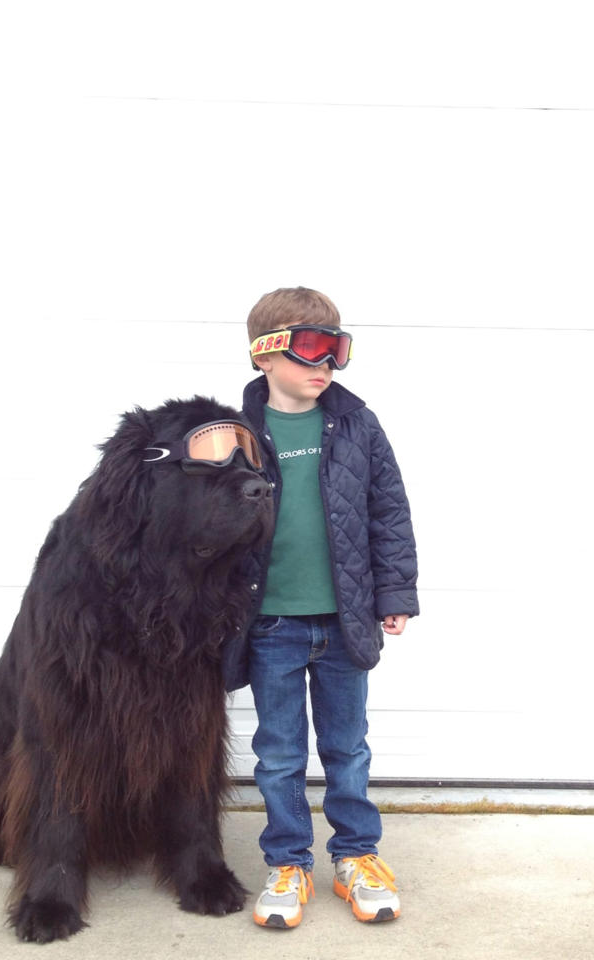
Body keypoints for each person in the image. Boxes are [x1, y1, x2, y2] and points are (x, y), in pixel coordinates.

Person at [221, 287, 419, 929]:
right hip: (271, 624)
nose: (325, 363)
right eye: (311, 346)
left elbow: (388, 512)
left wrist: (393, 594)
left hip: (344, 620)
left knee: (347, 747)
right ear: (264, 355)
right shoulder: (234, 435)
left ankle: (356, 857)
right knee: (278, 751)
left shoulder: (359, 424)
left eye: (336, 349)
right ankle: (287, 862)